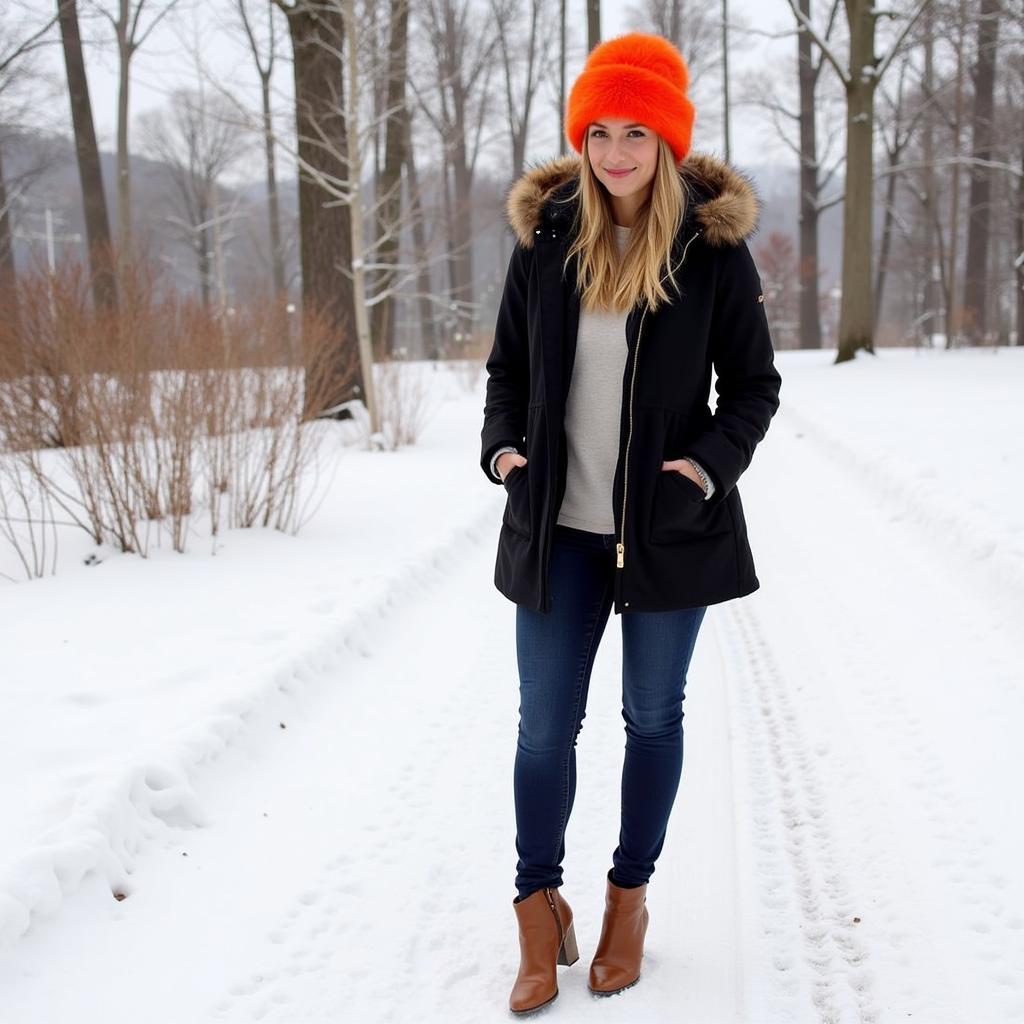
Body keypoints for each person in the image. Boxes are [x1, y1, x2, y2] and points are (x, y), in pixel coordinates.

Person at [479, 31, 783, 1015]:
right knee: (541, 726)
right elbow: (506, 376)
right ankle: (536, 908)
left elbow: (753, 387)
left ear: (665, 139)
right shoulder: (549, 239)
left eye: (634, 132)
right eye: (597, 131)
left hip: (665, 531)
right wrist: (505, 456)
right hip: (557, 531)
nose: (613, 152)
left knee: (651, 716)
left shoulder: (709, 248)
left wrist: (701, 468)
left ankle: (626, 902)